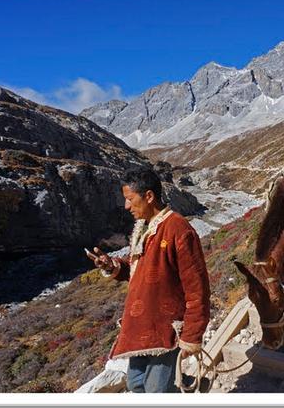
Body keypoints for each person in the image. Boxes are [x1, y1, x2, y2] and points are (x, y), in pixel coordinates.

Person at [85, 167, 210, 392]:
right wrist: (111, 265)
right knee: (136, 384)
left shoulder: (178, 229)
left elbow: (197, 287)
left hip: (166, 329)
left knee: (155, 391)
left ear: (149, 196)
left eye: (130, 199)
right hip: (141, 326)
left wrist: (192, 334)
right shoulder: (145, 228)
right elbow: (140, 269)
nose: (126, 206)